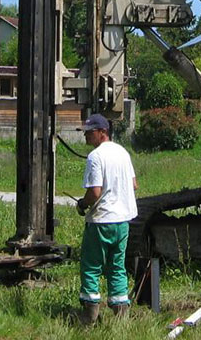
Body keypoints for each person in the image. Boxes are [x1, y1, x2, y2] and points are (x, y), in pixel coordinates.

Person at [76, 113, 138, 325]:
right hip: (122, 222)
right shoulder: (123, 152)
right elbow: (134, 184)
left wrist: (82, 205)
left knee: (91, 266)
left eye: (90, 132)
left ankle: (89, 317)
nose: (86, 135)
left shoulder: (96, 156)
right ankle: (121, 318)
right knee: (117, 267)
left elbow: (94, 192)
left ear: (103, 133)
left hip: (101, 222)